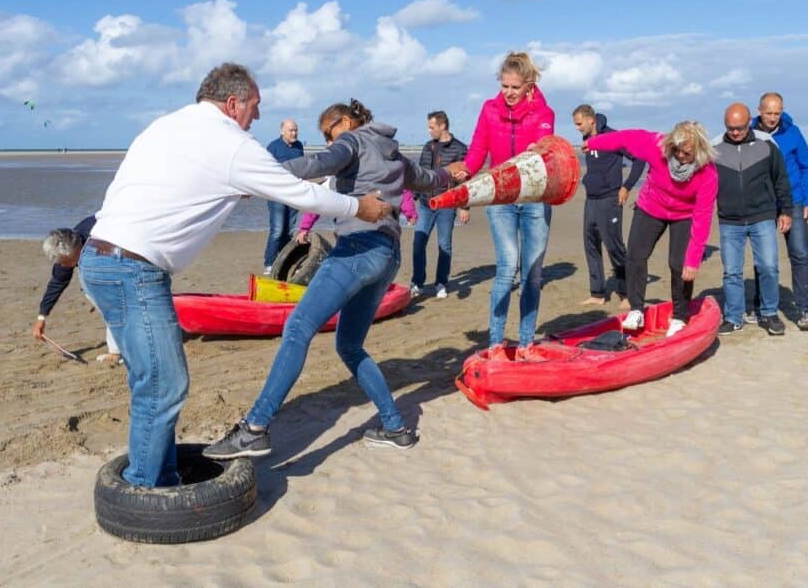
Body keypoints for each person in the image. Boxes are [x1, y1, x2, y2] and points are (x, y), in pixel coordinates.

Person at [79, 64, 391, 488]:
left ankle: (162, 476)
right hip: (133, 269)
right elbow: (298, 192)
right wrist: (360, 208)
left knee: (149, 383)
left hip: (98, 260)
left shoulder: (165, 126)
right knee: (165, 386)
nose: (257, 116)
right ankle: (145, 492)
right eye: (254, 106)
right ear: (232, 103)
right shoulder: (230, 142)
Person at [205, 99, 461, 458]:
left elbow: (315, 164)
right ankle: (395, 427)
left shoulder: (352, 141)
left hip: (357, 250)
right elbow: (427, 179)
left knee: (298, 328)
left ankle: (255, 428)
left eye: (330, 132)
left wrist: (255, 177)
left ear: (346, 121)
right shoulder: (392, 152)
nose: (329, 141)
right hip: (387, 257)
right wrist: (452, 173)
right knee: (349, 345)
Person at [458, 51, 555, 359]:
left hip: (535, 199)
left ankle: (526, 344)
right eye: (504, 86)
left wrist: (538, 150)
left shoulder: (544, 113)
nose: (509, 93)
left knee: (532, 274)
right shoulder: (490, 109)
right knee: (507, 267)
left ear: (528, 85)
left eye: (515, 87)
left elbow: (545, 150)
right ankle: (496, 344)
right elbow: (478, 149)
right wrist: (465, 173)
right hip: (501, 198)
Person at [586, 122, 719, 337]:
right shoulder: (657, 146)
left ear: (699, 151)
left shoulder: (708, 173)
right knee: (635, 256)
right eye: (676, 150)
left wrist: (693, 260)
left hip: (684, 215)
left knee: (680, 265)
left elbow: (703, 217)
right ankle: (636, 310)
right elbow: (627, 137)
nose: (680, 156)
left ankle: (679, 316)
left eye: (687, 153)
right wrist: (594, 143)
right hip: (651, 206)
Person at [713, 103, 793, 336]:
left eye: (739, 127)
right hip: (729, 220)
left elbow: (781, 179)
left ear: (749, 121)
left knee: (768, 267)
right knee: (732, 272)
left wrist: (785, 210)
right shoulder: (714, 148)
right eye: (730, 128)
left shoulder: (766, 144)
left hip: (762, 216)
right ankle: (733, 317)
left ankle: (769, 313)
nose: (735, 132)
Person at [750, 92, 808, 331]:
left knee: (800, 254)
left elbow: (806, 166)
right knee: (764, 258)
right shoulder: (750, 133)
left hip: (795, 201)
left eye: (777, 113)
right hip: (763, 203)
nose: (772, 118)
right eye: (768, 113)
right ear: (759, 111)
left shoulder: (793, 132)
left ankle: (804, 309)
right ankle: (761, 306)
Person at [573, 104, 646, 309]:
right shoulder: (587, 138)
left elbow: (639, 158)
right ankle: (597, 293)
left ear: (591, 120)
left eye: (579, 124)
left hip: (610, 198)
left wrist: (627, 187)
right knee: (591, 244)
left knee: (614, 246)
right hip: (591, 198)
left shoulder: (614, 137)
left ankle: (627, 294)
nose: (577, 128)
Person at [33, 215, 121, 364]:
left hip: (124, 248)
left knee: (113, 303)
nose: (65, 266)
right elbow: (57, 282)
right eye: (62, 263)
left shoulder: (102, 236)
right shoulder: (65, 250)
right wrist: (42, 317)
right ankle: (117, 350)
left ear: (78, 250)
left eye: (68, 262)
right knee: (103, 302)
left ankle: (117, 352)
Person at [411, 110, 470, 300]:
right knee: (418, 243)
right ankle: (417, 283)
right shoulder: (428, 147)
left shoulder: (460, 148)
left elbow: (466, 181)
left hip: (447, 205)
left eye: (432, 127)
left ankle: (441, 284)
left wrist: (464, 207)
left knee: (444, 245)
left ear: (442, 126)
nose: (429, 131)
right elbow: (419, 175)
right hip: (426, 204)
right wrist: (411, 204)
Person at [263, 119, 304, 275]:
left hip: (294, 194)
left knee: (289, 231)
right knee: (278, 230)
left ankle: (286, 261)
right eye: (290, 130)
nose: (294, 133)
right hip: (277, 194)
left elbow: (303, 168)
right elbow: (265, 170)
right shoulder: (273, 147)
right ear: (282, 131)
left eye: (295, 130)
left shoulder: (299, 146)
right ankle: (269, 263)